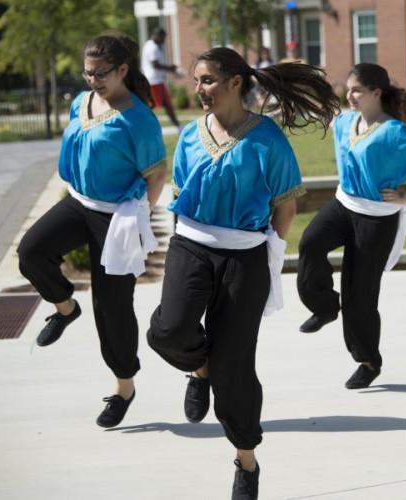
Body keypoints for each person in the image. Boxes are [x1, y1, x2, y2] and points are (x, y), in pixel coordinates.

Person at [146, 47, 339, 500]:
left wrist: (270, 249)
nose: (199, 90)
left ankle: (246, 461)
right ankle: (199, 366)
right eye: (197, 81)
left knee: (236, 370)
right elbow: (182, 193)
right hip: (191, 243)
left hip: (245, 255)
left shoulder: (267, 139)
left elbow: (286, 205)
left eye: (208, 80)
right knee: (167, 332)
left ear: (235, 82)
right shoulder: (191, 136)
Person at [17, 33, 166, 428]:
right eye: (87, 73)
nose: (93, 80)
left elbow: (156, 173)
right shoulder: (80, 103)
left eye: (101, 73)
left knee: (112, 310)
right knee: (31, 253)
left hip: (116, 215)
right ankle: (65, 308)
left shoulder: (138, 119)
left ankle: (123, 388)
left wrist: (139, 216)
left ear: (122, 70)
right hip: (78, 202)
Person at [297, 63, 406, 390]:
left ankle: (368, 361)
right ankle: (324, 307)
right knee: (310, 243)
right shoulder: (346, 121)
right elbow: (320, 111)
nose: (350, 95)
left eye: (357, 90)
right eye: (348, 89)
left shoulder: (393, 132)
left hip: (376, 218)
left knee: (359, 295)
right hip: (343, 205)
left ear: (377, 92)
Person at [141, 28, 183, 131]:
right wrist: (171, 68)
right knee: (151, 105)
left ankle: (179, 126)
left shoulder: (153, 46)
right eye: (163, 37)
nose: (164, 40)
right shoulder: (152, 47)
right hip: (153, 81)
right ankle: (142, 126)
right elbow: (155, 65)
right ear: (158, 36)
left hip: (157, 80)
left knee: (166, 104)